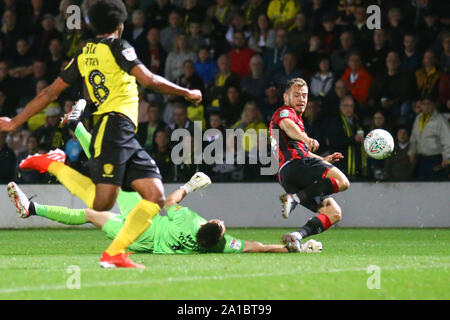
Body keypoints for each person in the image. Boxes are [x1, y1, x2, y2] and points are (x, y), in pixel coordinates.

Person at [0, 0, 202, 269]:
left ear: (93, 25)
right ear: (120, 25)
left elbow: (50, 92)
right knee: (101, 203)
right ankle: (54, 165)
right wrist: (188, 93)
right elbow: (150, 80)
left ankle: (115, 254)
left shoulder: (84, 53)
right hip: (114, 128)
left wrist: (15, 122)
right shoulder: (120, 47)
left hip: (123, 132)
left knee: (154, 195)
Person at [7, 172, 323, 255]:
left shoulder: (192, 221)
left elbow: (169, 204)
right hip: (137, 243)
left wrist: (190, 185)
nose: (221, 221)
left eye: (219, 223)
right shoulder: (217, 247)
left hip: (145, 227)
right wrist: (294, 248)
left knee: (113, 186)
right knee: (92, 214)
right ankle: (32, 208)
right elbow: (258, 247)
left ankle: (78, 130)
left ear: (212, 226)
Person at [269, 78, 349, 251]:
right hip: (295, 165)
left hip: (289, 176)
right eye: (296, 95)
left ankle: (296, 237)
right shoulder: (284, 112)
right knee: (343, 182)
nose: (301, 99)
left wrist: (323, 160)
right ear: (285, 97)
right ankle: (296, 199)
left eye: (304, 95)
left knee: (334, 212)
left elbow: (302, 151)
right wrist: (305, 138)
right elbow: (287, 126)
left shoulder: (298, 120)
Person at [408, 98, 450, 180]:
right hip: (422, 158)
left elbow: (447, 140)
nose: (426, 106)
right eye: (424, 104)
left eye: (428, 104)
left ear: (434, 105)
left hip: (436, 158)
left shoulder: (440, 120)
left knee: (435, 185)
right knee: (423, 185)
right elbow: (414, 137)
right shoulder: (419, 118)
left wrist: (447, 158)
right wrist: (412, 152)